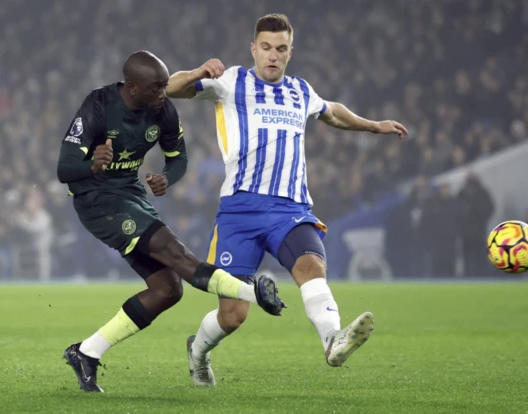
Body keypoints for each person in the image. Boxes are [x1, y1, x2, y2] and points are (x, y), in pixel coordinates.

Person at [167, 14, 408, 386]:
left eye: (281, 49)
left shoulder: (301, 91)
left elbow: (333, 113)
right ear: (253, 49)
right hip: (240, 210)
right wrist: (200, 71)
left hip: (290, 209)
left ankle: (333, 340)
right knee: (233, 315)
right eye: (265, 48)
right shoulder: (232, 81)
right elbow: (170, 88)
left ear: (290, 53)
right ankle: (197, 353)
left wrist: (373, 125)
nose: (272, 56)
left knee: (312, 266)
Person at [57, 51, 285, 393]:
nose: (164, 93)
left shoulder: (162, 109)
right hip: (97, 200)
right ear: (132, 88)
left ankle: (87, 353)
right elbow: (64, 169)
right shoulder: (99, 106)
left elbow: (179, 159)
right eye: (156, 87)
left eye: (165, 85)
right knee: (174, 251)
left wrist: (167, 177)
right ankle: (252, 293)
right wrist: (91, 164)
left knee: (167, 291)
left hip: (130, 195)